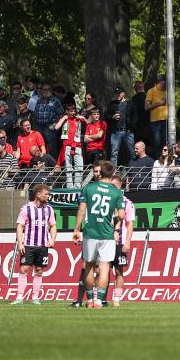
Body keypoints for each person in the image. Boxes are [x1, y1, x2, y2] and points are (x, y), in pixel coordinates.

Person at [71, 161, 125, 308]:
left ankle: (89, 300)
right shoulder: (116, 192)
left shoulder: (89, 188)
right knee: (104, 266)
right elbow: (122, 215)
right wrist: (113, 217)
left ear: (100, 172)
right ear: (112, 173)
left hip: (90, 232)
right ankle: (99, 301)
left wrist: (76, 230)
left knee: (88, 265)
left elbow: (82, 210)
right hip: (107, 234)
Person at [12, 184, 56, 305]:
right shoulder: (26, 208)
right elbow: (20, 226)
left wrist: (52, 239)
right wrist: (20, 243)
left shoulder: (49, 209)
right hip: (28, 244)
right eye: (46, 194)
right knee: (24, 269)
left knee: (39, 270)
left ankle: (35, 297)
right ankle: (19, 297)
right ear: (38, 194)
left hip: (43, 245)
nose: (48, 196)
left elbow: (53, 225)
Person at [109, 175, 134, 307]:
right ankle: (99, 298)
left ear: (119, 187)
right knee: (100, 270)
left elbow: (130, 224)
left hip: (120, 242)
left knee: (119, 271)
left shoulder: (127, 203)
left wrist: (127, 242)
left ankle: (116, 299)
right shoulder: (105, 201)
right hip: (105, 240)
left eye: (113, 186)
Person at [55, 105, 86, 189]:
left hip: (77, 146)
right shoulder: (64, 120)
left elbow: (89, 124)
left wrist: (83, 118)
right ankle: (69, 187)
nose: (73, 113)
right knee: (68, 169)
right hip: (67, 146)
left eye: (74, 111)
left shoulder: (79, 119)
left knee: (79, 167)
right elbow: (56, 127)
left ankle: (77, 187)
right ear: (67, 112)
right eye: (71, 111)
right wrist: (63, 118)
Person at [107, 86, 135, 166]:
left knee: (132, 152)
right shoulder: (112, 104)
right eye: (116, 93)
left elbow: (135, 117)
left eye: (119, 93)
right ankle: (113, 171)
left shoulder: (130, 103)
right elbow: (106, 116)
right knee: (114, 153)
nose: (117, 95)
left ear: (123, 94)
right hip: (116, 132)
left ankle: (135, 170)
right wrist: (113, 116)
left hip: (128, 131)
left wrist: (131, 128)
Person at [145, 74, 168, 154]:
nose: (166, 83)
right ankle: (156, 159)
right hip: (155, 121)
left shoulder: (166, 92)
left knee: (165, 142)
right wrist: (159, 103)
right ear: (161, 82)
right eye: (165, 81)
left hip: (166, 121)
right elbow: (146, 107)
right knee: (157, 142)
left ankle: (164, 158)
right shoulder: (151, 91)